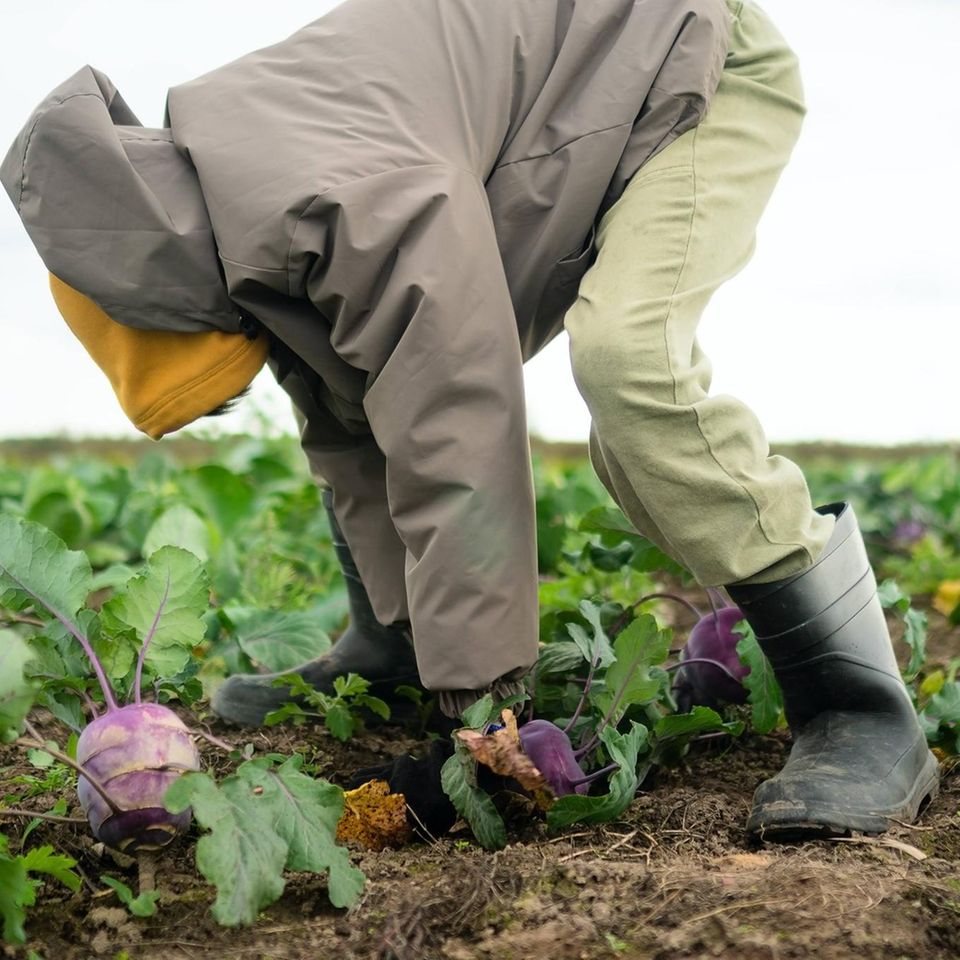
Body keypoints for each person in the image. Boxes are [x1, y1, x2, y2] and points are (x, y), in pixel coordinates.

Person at [1, 0, 937, 839]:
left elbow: (456, 418)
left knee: (628, 362)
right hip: (566, 111)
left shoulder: (344, 197)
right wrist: (410, 639)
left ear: (184, 301)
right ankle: (392, 641)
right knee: (345, 379)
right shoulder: (210, 193)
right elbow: (350, 414)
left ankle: (856, 707)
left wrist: (480, 711)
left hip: (688, 64)